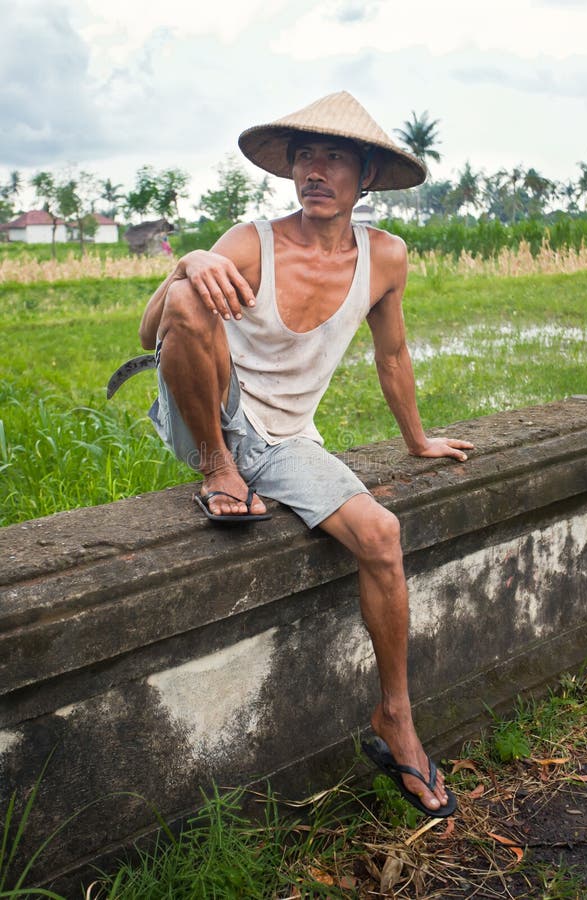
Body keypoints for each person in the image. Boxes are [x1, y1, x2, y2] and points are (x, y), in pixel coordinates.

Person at [137, 91, 473, 816]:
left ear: (367, 174)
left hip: (287, 438)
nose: (314, 171)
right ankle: (217, 472)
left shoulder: (385, 257)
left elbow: (394, 353)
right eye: (304, 157)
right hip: (210, 413)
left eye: (333, 158)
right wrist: (189, 262)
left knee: (382, 536)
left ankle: (396, 718)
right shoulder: (250, 239)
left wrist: (418, 440)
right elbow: (150, 334)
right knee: (192, 299)